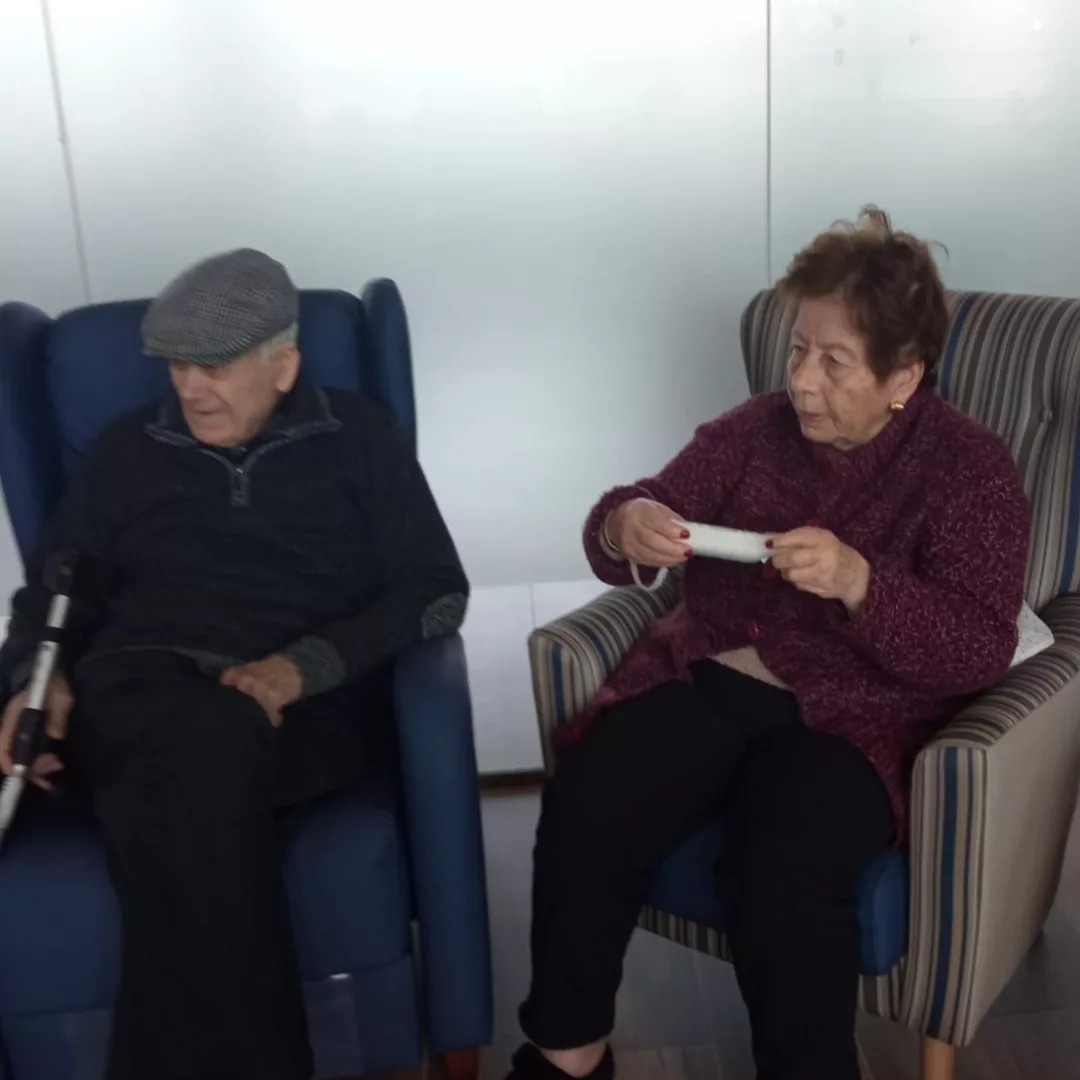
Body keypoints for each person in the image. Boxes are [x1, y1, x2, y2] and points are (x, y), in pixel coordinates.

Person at [511, 209, 1030, 1080]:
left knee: (783, 864)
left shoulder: (970, 469)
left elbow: (979, 647)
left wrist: (862, 583)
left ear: (904, 375)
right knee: (593, 790)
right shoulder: (754, 430)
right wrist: (625, 522)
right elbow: (637, 511)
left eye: (834, 361)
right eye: (797, 350)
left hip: (861, 722)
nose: (801, 381)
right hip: (715, 680)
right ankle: (567, 1057)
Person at [0, 249, 469, 1080]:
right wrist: (39, 679)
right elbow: (55, 590)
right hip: (138, 689)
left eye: (212, 366)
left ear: (282, 365)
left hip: (296, 713)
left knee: (196, 793)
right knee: (203, 759)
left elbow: (435, 593)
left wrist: (301, 667)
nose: (189, 388)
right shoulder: (127, 451)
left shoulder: (360, 438)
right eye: (176, 365)